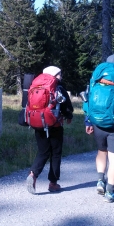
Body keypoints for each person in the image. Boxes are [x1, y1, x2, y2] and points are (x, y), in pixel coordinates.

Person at [84, 54, 114, 203]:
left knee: (101, 152)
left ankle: (100, 180)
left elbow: (89, 102)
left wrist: (88, 122)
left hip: (97, 123)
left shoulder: (95, 81)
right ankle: (110, 192)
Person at [25, 66, 74, 194]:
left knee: (43, 152)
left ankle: (33, 174)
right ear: (54, 74)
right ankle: (53, 183)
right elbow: (66, 106)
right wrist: (69, 116)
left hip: (38, 122)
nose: (61, 76)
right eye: (59, 74)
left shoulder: (34, 85)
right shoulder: (57, 86)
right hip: (55, 124)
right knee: (56, 153)